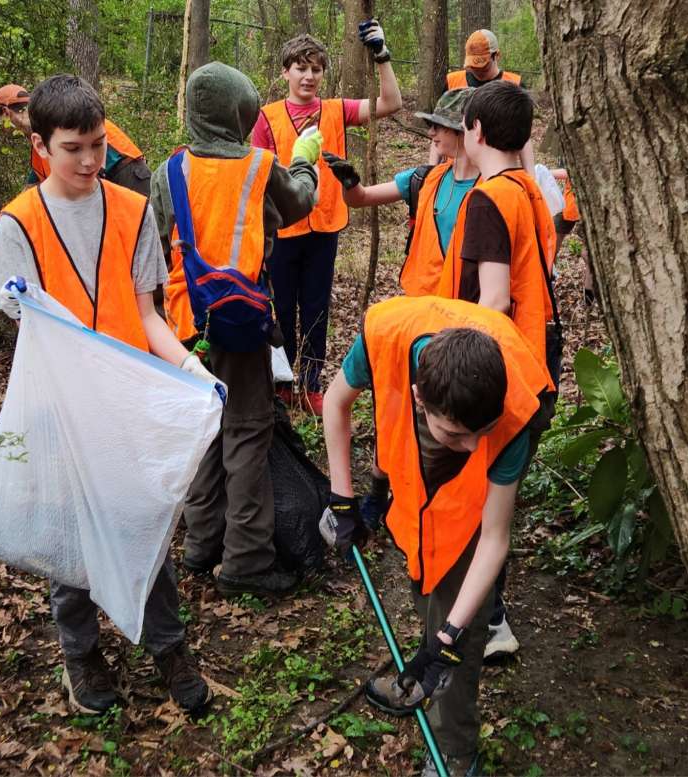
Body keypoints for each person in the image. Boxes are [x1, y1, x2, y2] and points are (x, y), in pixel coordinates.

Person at [0, 75, 214, 716]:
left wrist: (190, 370)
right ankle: (81, 654)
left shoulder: (132, 209)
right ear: (39, 144)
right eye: (73, 149)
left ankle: (167, 646)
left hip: (127, 401)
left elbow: (147, 317)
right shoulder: (19, 223)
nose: (89, 161)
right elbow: (31, 327)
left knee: (142, 523)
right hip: (60, 406)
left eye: (95, 144)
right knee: (75, 535)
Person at [321, 295, 552, 776]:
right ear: (418, 396)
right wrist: (343, 498)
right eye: (455, 436)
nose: (470, 447)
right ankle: (438, 635)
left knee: (457, 577)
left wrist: (448, 635)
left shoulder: (508, 418)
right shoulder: (382, 336)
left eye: (477, 433)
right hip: (433, 397)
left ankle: (454, 748)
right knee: (424, 532)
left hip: (497, 412)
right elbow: (335, 402)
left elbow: (494, 538)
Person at [152, 62, 320, 596]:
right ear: (240, 112)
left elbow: (154, 246)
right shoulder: (259, 165)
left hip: (182, 328)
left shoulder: (168, 171)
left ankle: (202, 545)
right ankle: (247, 559)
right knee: (247, 430)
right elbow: (299, 205)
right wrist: (306, 163)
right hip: (242, 325)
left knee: (204, 432)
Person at [436, 81, 561, 660]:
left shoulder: (489, 198)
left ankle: (486, 620)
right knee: (494, 496)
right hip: (537, 359)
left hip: (501, 367)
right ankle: (487, 614)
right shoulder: (531, 190)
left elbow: (494, 299)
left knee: (483, 499)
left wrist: (460, 367)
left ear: (476, 131)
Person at [252, 25, 403, 413]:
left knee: (317, 309)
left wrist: (381, 55)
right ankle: (282, 384)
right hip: (283, 229)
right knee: (281, 308)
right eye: (300, 69)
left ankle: (312, 385)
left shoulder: (336, 110)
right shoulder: (266, 118)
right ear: (285, 72)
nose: (308, 77)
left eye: (316, 69)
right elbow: (256, 173)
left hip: (325, 226)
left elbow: (390, 103)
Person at [325, 88, 478, 298]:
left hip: (466, 306)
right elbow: (360, 198)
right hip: (421, 302)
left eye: (439, 127)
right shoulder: (423, 178)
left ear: (463, 130)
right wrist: (349, 182)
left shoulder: (492, 187)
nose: (431, 133)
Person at [0, 82, 153, 196]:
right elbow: (35, 183)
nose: (0, 127)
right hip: (105, 177)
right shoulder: (39, 139)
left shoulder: (49, 119)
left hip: (126, 171)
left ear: (6, 113)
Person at [430, 30, 533, 170]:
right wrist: (431, 168)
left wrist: (531, 175)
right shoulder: (452, 81)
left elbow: (524, 138)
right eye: (473, 65)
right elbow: (440, 127)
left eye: (483, 65)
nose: (477, 70)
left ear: (496, 55)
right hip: (456, 170)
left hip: (496, 172)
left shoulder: (514, 85)